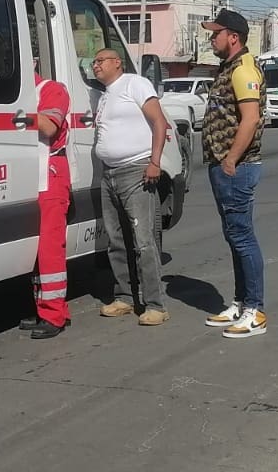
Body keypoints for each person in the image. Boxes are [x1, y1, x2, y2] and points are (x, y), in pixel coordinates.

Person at [89, 48, 172, 327]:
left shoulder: (134, 84)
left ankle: (155, 304)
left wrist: (155, 161)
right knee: (115, 240)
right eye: (94, 62)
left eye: (100, 61)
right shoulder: (104, 96)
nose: (95, 66)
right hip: (109, 175)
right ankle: (124, 297)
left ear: (117, 63)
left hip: (137, 170)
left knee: (144, 240)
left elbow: (159, 122)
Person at [199, 9, 269, 339]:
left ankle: (255, 309)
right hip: (224, 165)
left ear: (233, 37)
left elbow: (251, 118)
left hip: (237, 168)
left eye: (216, 33)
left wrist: (230, 160)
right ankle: (240, 303)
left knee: (242, 237)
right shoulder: (227, 68)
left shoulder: (243, 70)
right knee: (234, 236)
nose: (211, 38)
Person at [19, 67, 73, 339]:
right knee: (36, 248)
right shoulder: (23, 96)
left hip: (51, 172)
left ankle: (55, 314)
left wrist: (17, 117)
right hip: (32, 172)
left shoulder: (52, 90)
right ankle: (43, 308)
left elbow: (49, 126)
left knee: (50, 246)